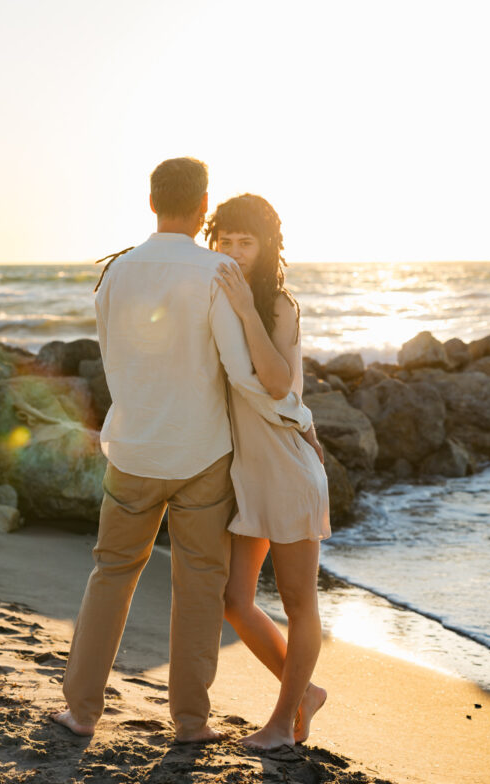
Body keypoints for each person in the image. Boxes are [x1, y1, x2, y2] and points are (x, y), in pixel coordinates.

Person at [51, 158, 313, 743]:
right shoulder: (217, 270)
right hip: (202, 457)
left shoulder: (116, 271)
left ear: (151, 203)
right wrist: (292, 415)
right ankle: (191, 724)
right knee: (198, 587)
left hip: (134, 449)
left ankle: (81, 713)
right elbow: (240, 370)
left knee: (110, 576)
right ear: (202, 210)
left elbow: (112, 353)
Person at [206, 193, 331, 750]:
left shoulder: (277, 304)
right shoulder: (216, 295)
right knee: (234, 600)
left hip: (288, 468)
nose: (234, 252)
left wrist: (245, 309)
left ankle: (283, 724)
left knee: (300, 601)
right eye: (225, 240)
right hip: (250, 473)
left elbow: (279, 383)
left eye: (245, 242)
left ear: (267, 245)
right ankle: (303, 694)